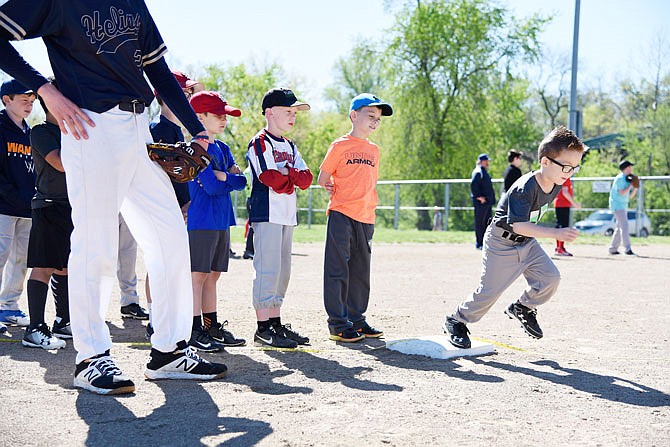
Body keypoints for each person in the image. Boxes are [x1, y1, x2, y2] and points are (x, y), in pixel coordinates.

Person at [0, 0, 227, 395]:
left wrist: (195, 128)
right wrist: (45, 90)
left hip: (139, 128)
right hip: (89, 126)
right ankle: (90, 357)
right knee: (96, 242)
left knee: (170, 234)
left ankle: (170, 350)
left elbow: (156, 68)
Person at [444, 126, 585, 349]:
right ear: (545, 162)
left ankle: (523, 307)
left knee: (550, 278)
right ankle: (456, 320)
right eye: (566, 167)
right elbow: (518, 225)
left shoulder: (556, 182)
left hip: (527, 242)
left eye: (575, 168)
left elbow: (526, 229)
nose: (569, 173)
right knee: (490, 292)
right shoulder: (524, 187)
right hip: (502, 241)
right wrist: (555, 233)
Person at [318, 93, 392, 342]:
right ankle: (338, 323)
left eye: (378, 118)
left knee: (360, 272)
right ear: (353, 115)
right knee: (338, 269)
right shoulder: (340, 145)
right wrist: (328, 185)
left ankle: (356, 320)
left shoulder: (374, 150)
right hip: (341, 213)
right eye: (370, 115)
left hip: (366, 215)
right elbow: (323, 177)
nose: (375, 121)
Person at [246, 88, 313, 348]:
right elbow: (270, 179)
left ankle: (275, 323)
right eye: (288, 112)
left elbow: (306, 179)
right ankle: (263, 328)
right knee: (268, 270)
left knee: (283, 272)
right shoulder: (260, 142)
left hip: (287, 215)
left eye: (295, 112)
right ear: (270, 113)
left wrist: (288, 173)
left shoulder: (290, 145)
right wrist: (289, 175)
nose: (293, 117)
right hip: (267, 214)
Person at [187, 91, 247, 351]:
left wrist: (224, 176)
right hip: (202, 221)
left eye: (225, 115)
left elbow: (242, 181)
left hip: (222, 220)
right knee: (197, 276)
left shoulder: (222, 147)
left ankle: (211, 326)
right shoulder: (194, 148)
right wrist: (227, 177)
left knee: (213, 275)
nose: (224, 119)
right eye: (218, 115)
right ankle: (193, 329)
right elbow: (210, 186)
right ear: (200, 117)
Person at [143, 70, 200, 338]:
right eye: (184, 92)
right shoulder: (157, 128)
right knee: (157, 260)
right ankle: (155, 318)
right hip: (161, 204)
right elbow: (155, 173)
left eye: (188, 93)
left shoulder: (177, 128)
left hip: (177, 205)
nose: (188, 97)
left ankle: (166, 314)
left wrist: (186, 200)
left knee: (171, 262)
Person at [23, 82, 70, 350]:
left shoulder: (74, 132)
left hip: (70, 207)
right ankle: (35, 328)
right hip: (48, 206)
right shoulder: (41, 131)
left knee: (65, 266)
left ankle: (62, 321)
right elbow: (60, 163)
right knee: (42, 267)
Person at [0, 79, 35, 328]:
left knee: (20, 260)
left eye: (32, 101)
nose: (29, 105)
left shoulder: (30, 133)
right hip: (3, 206)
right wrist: (14, 195)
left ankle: (9, 307)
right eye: (24, 100)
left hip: (26, 208)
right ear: (6, 100)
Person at [608, 160, 638, 256]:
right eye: (629, 167)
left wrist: (635, 187)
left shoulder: (626, 178)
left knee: (619, 227)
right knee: (624, 226)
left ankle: (613, 249)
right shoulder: (620, 179)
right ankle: (627, 249)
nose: (631, 169)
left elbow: (630, 196)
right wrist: (630, 185)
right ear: (625, 169)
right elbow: (622, 193)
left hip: (622, 205)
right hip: (617, 205)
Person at [470, 153, 496, 250]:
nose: (487, 163)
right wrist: (478, 197)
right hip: (481, 203)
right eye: (486, 161)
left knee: (486, 223)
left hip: (487, 202)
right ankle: (479, 243)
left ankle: (485, 243)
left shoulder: (483, 171)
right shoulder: (478, 171)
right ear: (481, 161)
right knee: (480, 223)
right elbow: (473, 185)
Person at [554, 177, 580, 256]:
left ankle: (559, 247)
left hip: (560, 204)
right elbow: (565, 192)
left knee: (561, 225)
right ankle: (560, 248)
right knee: (563, 226)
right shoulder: (565, 178)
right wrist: (574, 204)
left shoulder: (561, 177)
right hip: (562, 204)